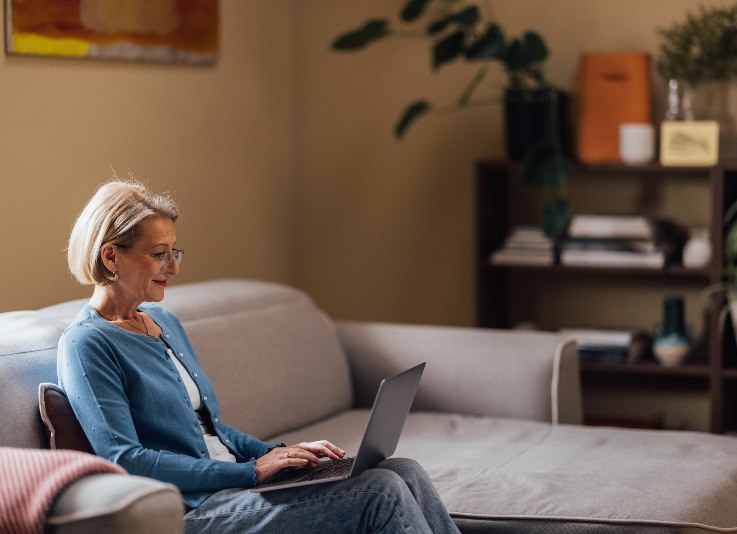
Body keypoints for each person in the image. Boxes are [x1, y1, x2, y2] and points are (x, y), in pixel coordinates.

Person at [57, 180, 460, 533]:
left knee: (401, 469)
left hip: (237, 485)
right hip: (195, 508)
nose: (172, 267)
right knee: (381, 492)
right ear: (111, 257)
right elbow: (126, 459)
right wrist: (250, 472)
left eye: (174, 252)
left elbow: (207, 428)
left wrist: (276, 454)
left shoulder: (162, 321)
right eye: (159, 253)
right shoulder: (87, 344)